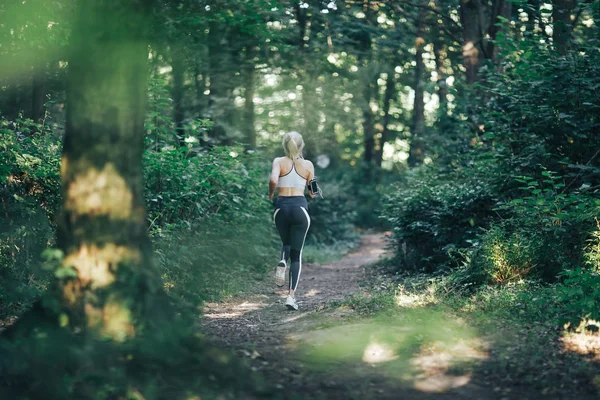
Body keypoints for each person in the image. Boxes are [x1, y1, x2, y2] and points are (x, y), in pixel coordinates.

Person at [268, 131, 316, 311]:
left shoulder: (278, 161)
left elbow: (273, 180)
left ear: (284, 145)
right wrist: (313, 189)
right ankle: (290, 297)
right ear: (301, 145)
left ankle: (282, 260)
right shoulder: (308, 164)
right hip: (299, 209)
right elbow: (313, 192)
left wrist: (271, 193)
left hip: (281, 208)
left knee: (285, 242)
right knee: (297, 255)